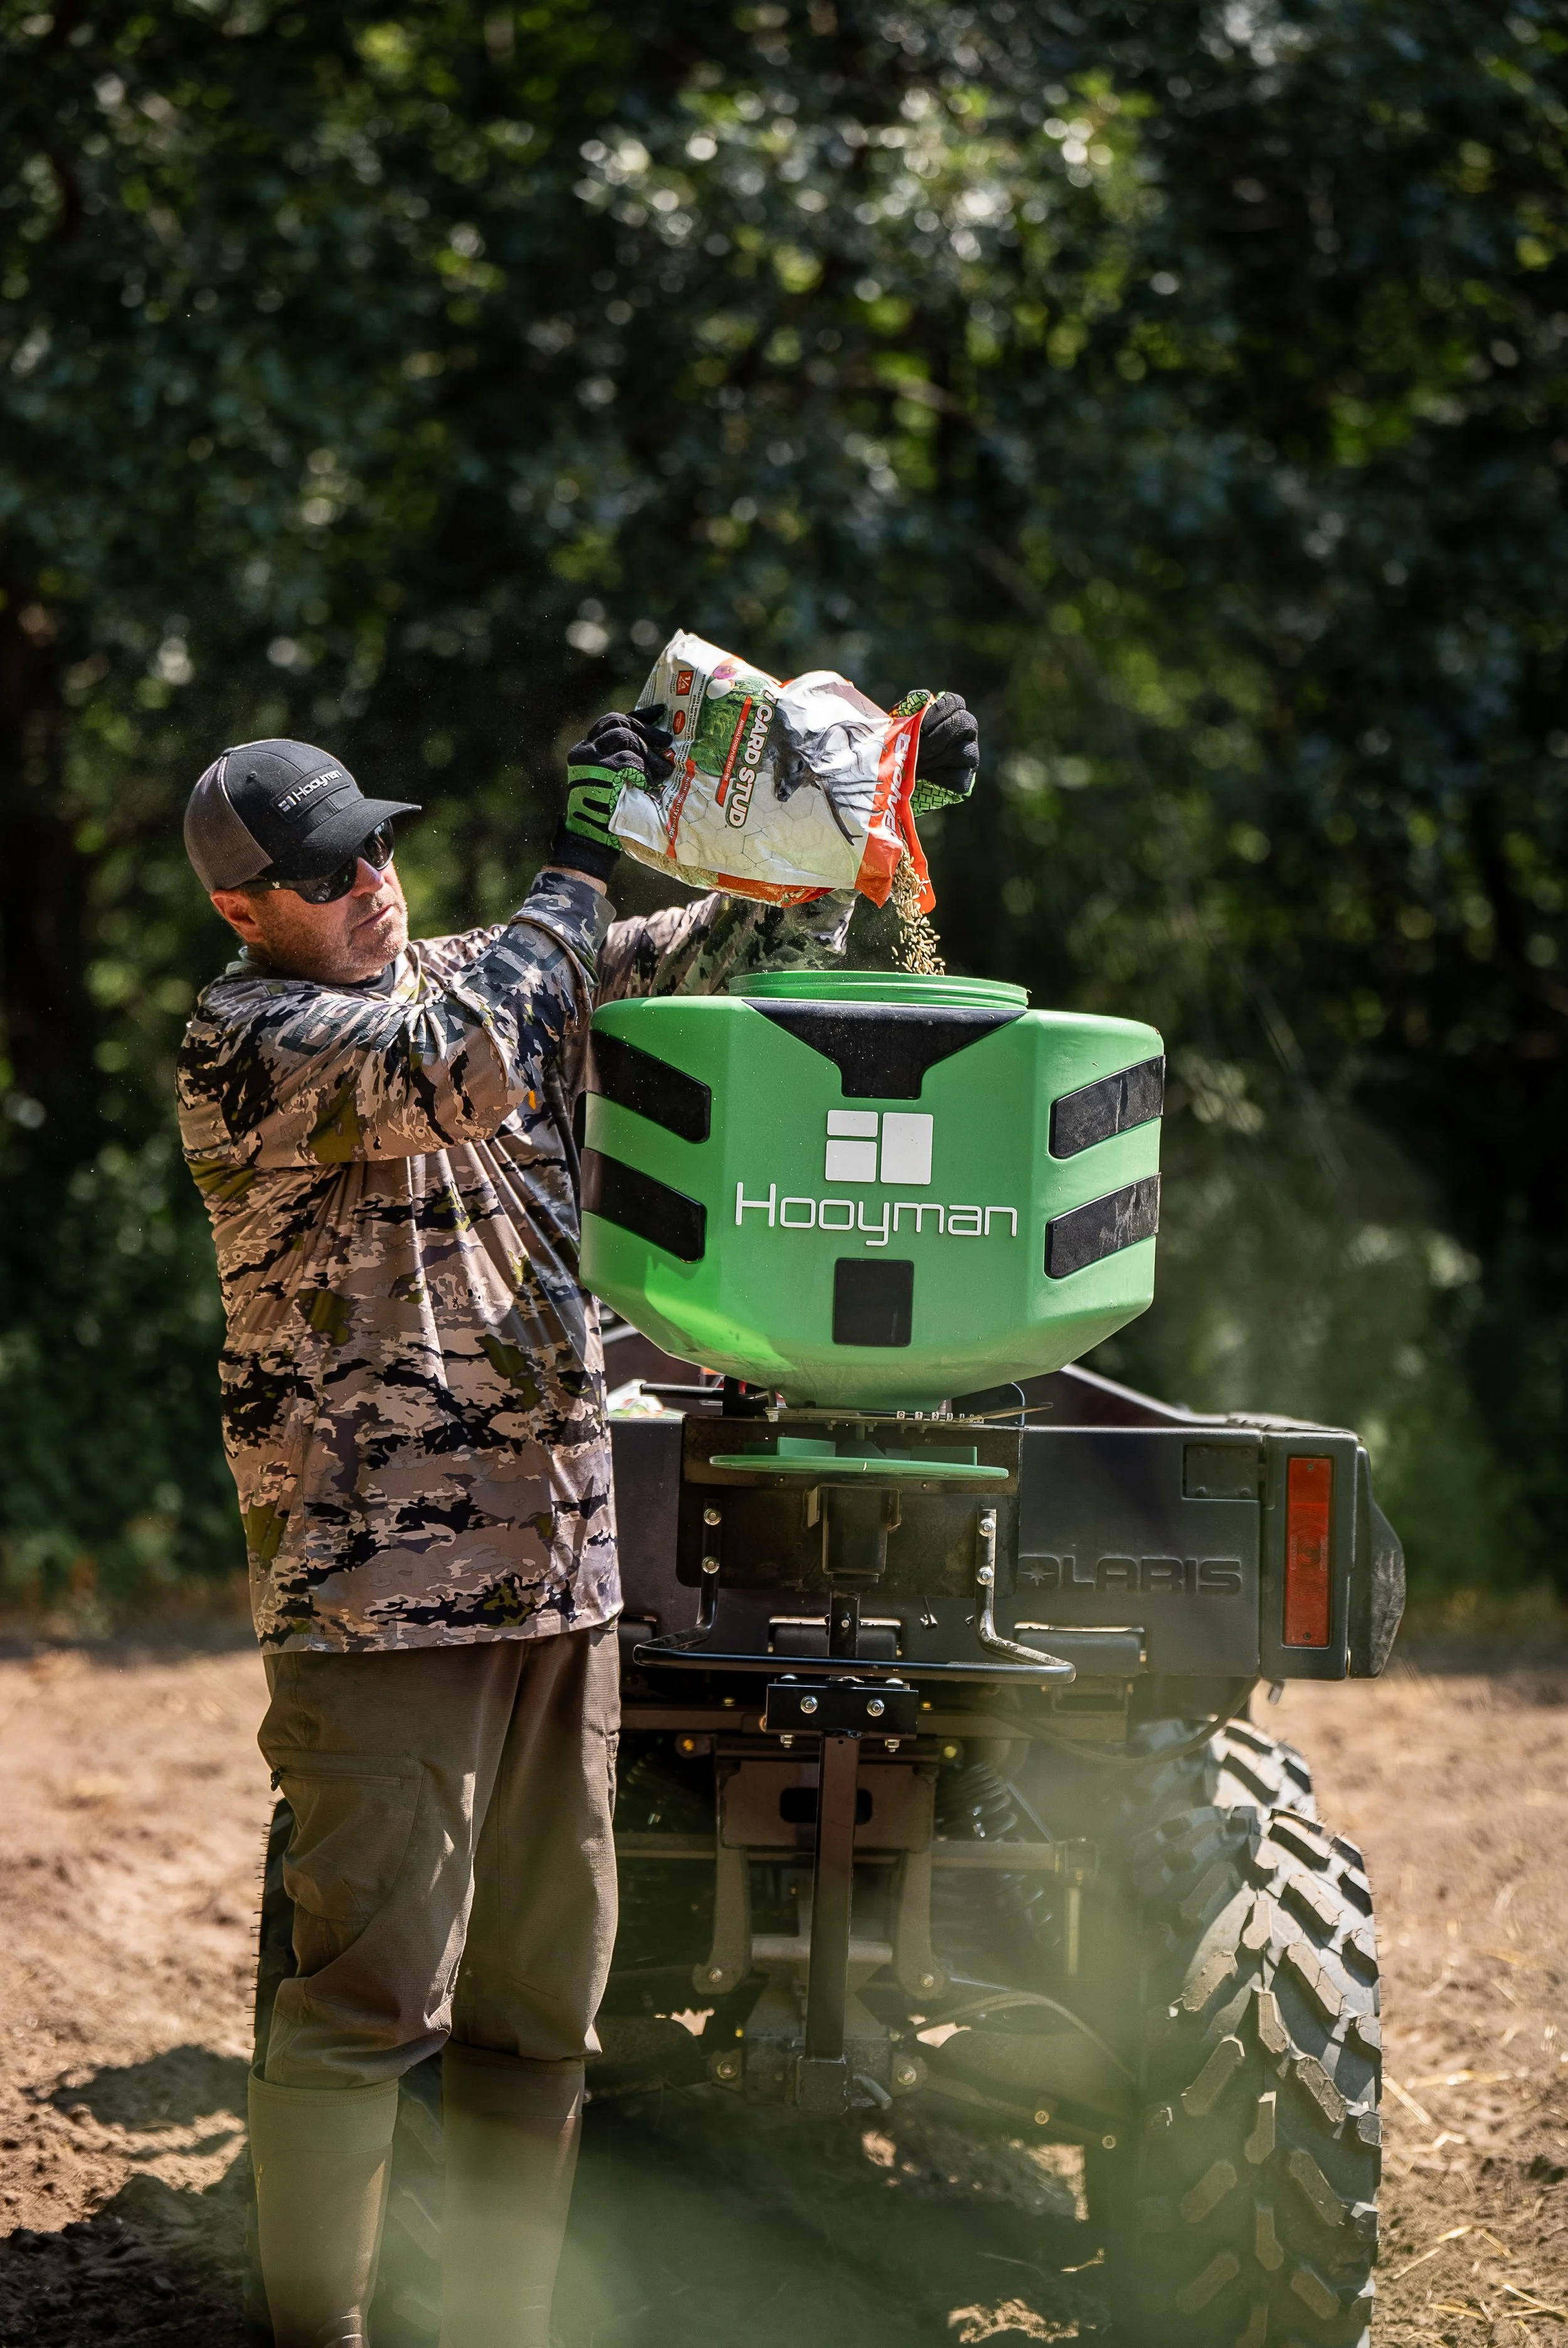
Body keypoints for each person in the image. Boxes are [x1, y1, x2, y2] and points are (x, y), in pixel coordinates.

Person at [176, 689, 980, 2348]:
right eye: (325, 874)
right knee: (365, 1999)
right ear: (244, 910)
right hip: (386, 1599)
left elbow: (724, 952)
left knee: (542, 2004)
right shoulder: (248, 1042)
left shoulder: (485, 969)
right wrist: (577, 859)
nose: (370, 884)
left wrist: (869, 795)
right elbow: (462, 1064)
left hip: (561, 1576)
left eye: (375, 850)